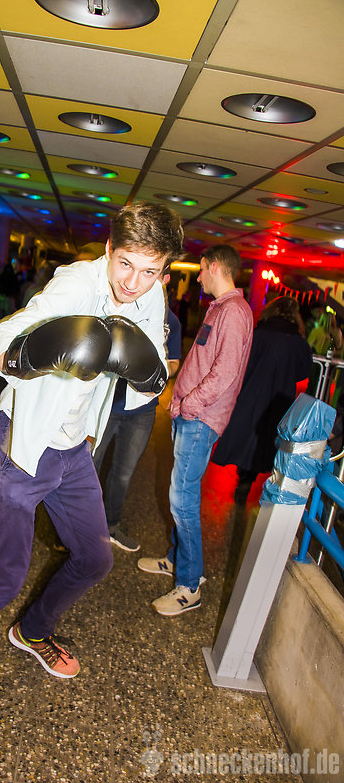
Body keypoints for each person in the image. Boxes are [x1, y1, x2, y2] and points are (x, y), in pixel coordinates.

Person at [0, 201, 184, 742]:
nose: (133, 283)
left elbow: (149, 378)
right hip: (22, 442)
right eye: (125, 264)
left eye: (150, 271)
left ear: (163, 270)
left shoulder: (150, 294)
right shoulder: (74, 286)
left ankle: (33, 629)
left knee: (95, 558)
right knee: (4, 574)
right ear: (110, 250)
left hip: (73, 448)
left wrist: (145, 370)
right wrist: (36, 351)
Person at [138, 244, 253, 617]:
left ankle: (189, 585)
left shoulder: (234, 311)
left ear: (215, 267)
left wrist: (188, 403)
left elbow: (225, 372)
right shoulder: (220, 308)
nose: (198, 276)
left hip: (200, 418)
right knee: (181, 495)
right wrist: (180, 399)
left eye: (201, 269)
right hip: (192, 414)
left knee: (182, 498)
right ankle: (177, 560)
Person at [93, 286, 182, 552]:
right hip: (107, 403)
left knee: (123, 473)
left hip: (141, 410)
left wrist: (155, 368)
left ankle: (110, 525)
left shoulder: (171, 321)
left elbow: (174, 362)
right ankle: (76, 527)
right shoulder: (121, 308)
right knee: (88, 466)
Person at [212, 296, 312, 503]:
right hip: (280, 399)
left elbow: (241, 364)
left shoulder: (257, 335)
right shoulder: (299, 343)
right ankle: (256, 481)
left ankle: (244, 477)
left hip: (251, 393)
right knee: (268, 441)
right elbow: (303, 372)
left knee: (246, 436)